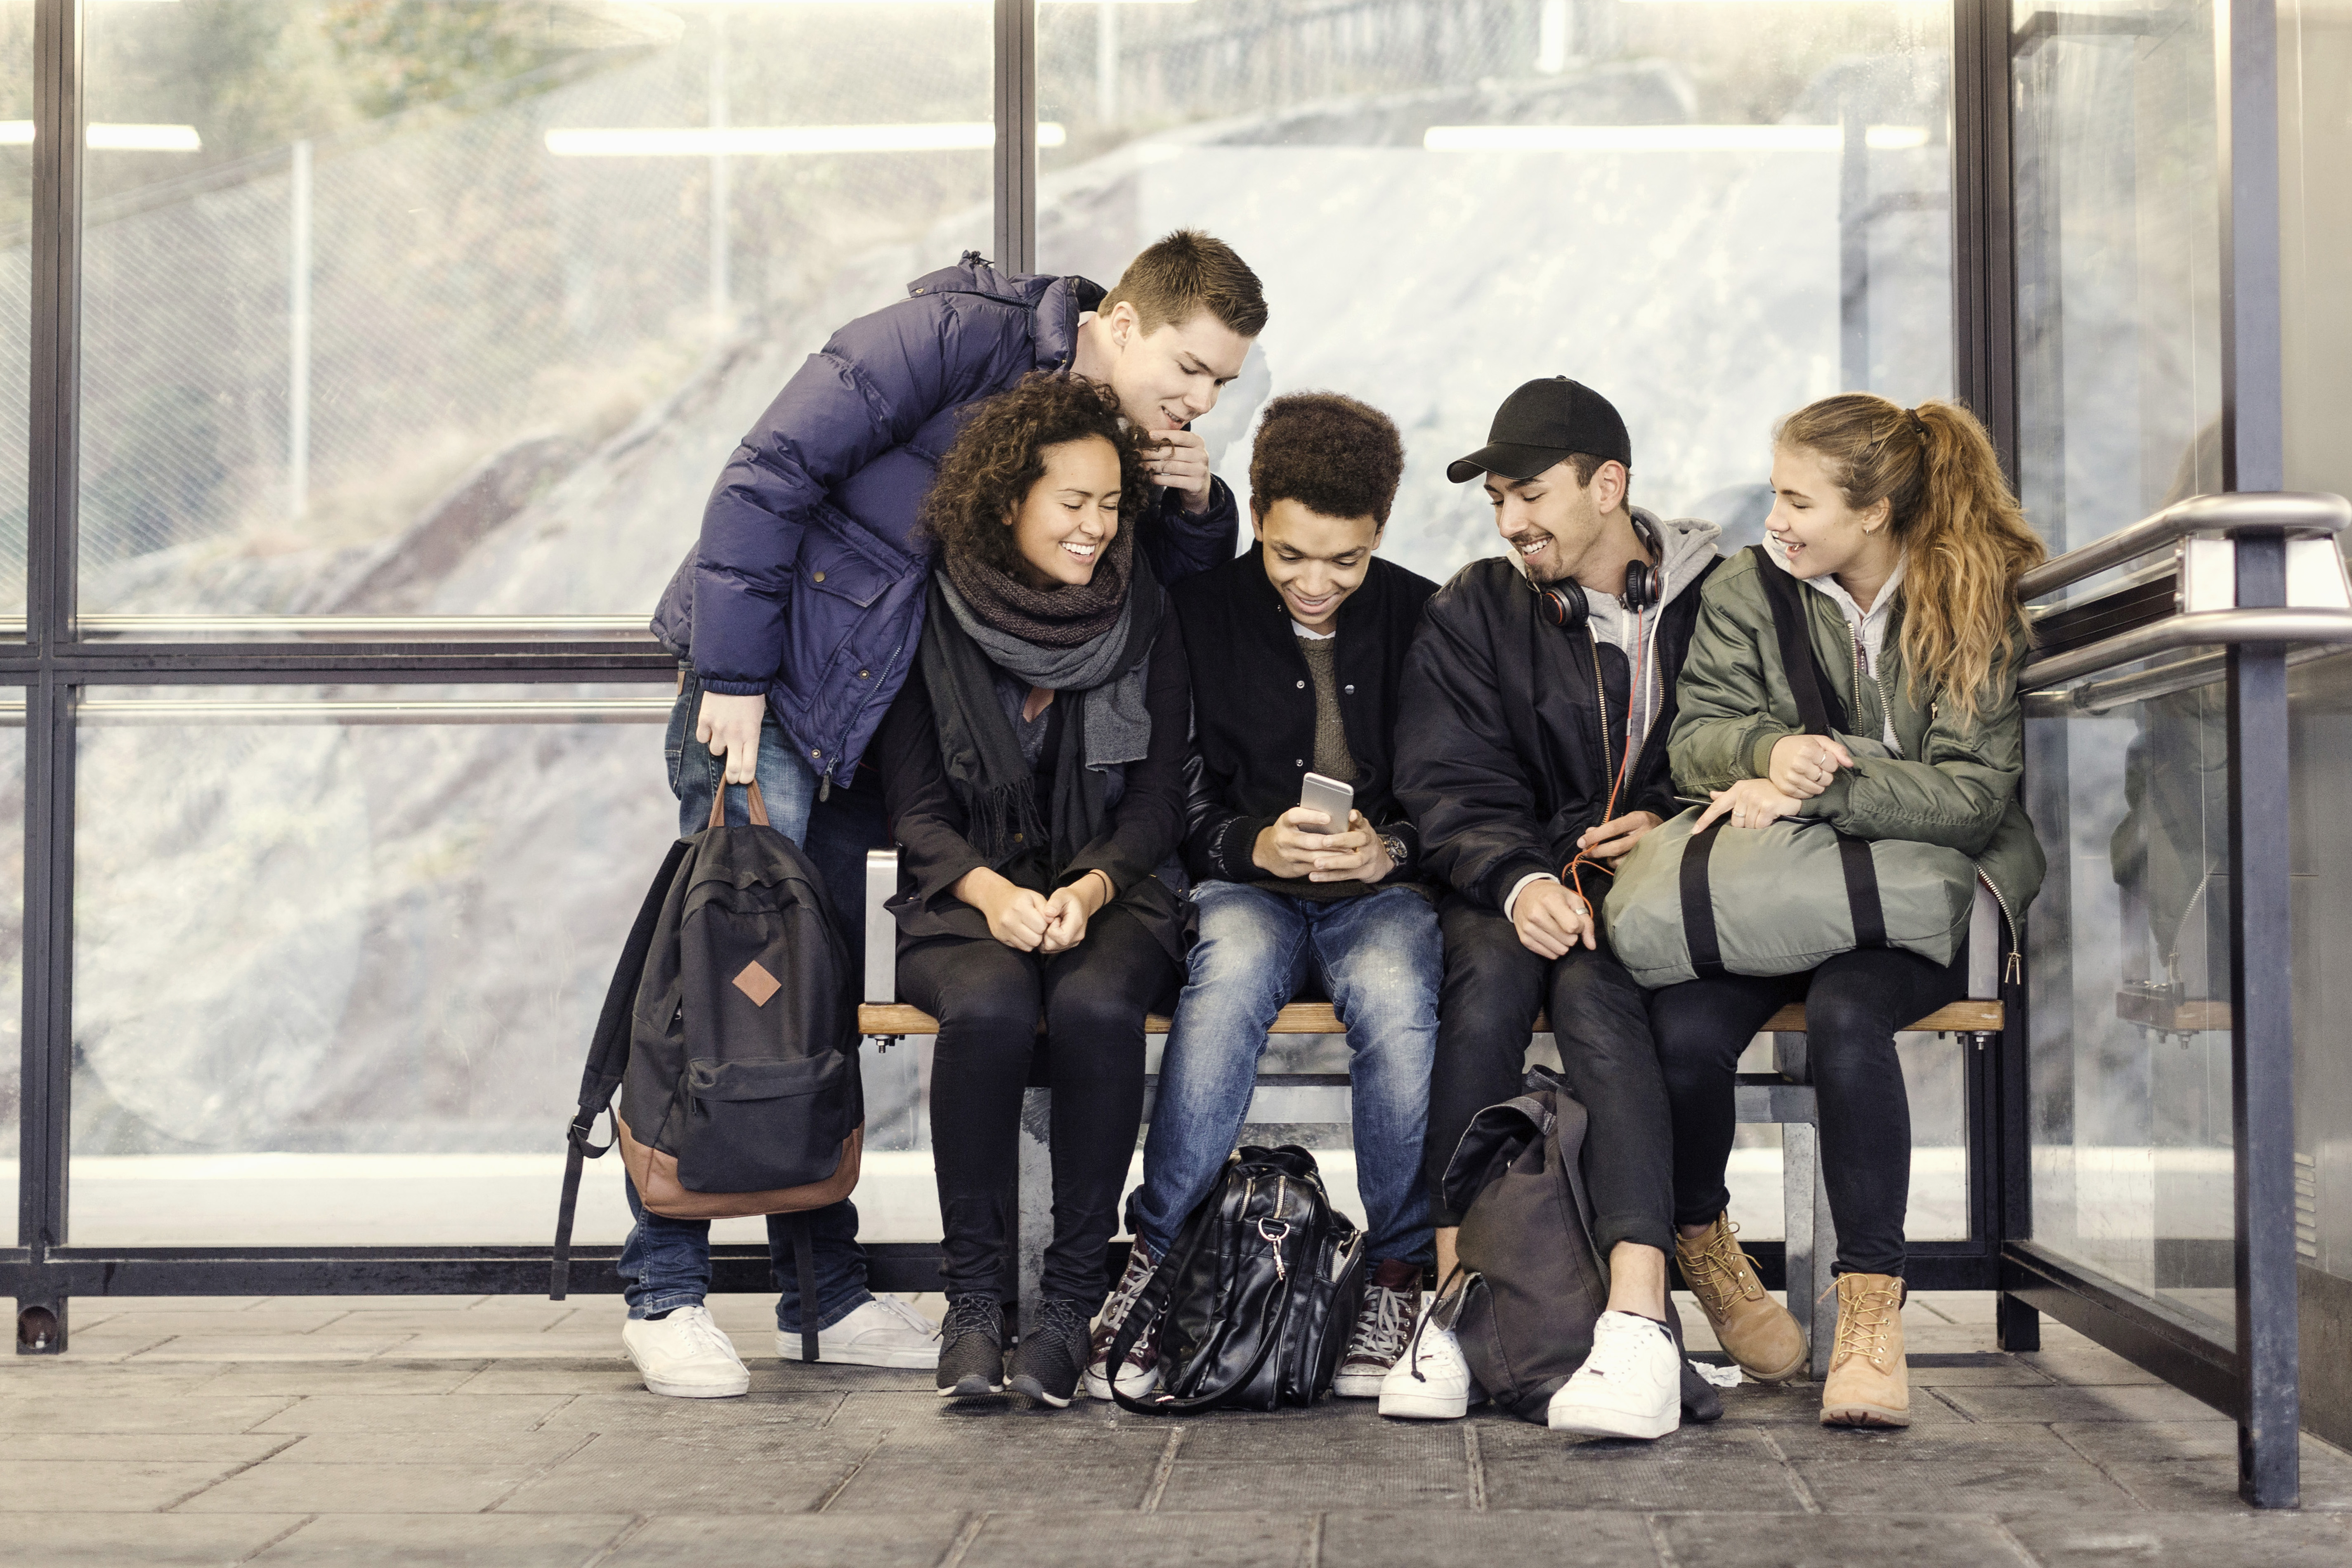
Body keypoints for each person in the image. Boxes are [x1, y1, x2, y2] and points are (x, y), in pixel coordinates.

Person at [626, 233, 1263, 1399]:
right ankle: (662, 1289)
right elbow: (767, 471)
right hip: (780, 688)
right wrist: (732, 673)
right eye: (1189, 363)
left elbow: (1141, 614)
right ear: (1118, 321)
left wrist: (1195, 505)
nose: (1199, 394)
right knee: (724, 988)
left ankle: (820, 1294)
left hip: (883, 715)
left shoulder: (1124, 438)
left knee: (808, 1011)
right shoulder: (958, 334)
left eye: (1221, 382)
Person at [1658, 393, 2045, 1429]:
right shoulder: (1750, 588)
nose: (1775, 518)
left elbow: (1971, 798)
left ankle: (1872, 1311)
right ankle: (1705, 1240)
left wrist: (1820, 783)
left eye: (1798, 498)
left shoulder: (1970, 602)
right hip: (1779, 889)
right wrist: (1762, 754)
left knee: (1845, 1016)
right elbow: (1693, 741)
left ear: (1874, 512)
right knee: (1687, 1032)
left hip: (1907, 907)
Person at [1089, 393, 1441, 1403]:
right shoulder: (1199, 612)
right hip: (1247, 885)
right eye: (1291, 555)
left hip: (1380, 892)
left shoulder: (1422, 613)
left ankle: (1396, 1272)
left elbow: (1449, 783)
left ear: (1381, 534)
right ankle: (1154, 1259)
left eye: (1347, 560)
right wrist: (1252, 842)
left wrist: (1392, 848)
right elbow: (1175, 790)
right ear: (1256, 508)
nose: (1317, 582)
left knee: (1396, 1002)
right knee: (1229, 979)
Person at [1389, 376, 1722, 1438]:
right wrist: (1520, 879)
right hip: (1503, 882)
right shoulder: (1477, 605)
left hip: (1650, 890)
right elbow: (1445, 784)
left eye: (1527, 491)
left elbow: (1748, 747)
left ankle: (1637, 1327)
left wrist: (1674, 824)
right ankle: (1448, 1313)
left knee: (1599, 995)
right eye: (1496, 499)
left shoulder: (1723, 599)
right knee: (1485, 985)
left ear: (1609, 483)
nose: (1509, 521)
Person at [876, 373, 1193, 1409]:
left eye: (1112, 505)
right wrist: (987, 891)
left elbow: (1157, 806)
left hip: (1112, 888)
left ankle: (1068, 1304)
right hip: (962, 899)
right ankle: (973, 1303)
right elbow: (916, 809)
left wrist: (1093, 888)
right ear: (1010, 498)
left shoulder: (1144, 612)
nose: (1097, 527)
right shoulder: (931, 617)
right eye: (1073, 503)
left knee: (1098, 1005)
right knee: (994, 1004)